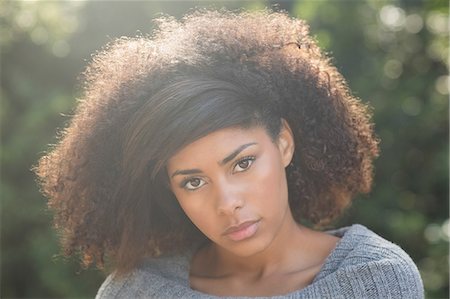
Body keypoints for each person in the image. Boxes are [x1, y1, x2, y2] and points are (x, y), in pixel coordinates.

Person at [35, 9, 424, 298]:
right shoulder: (137, 290)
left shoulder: (375, 279)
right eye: (193, 181)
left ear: (284, 143)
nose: (227, 203)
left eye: (243, 163)